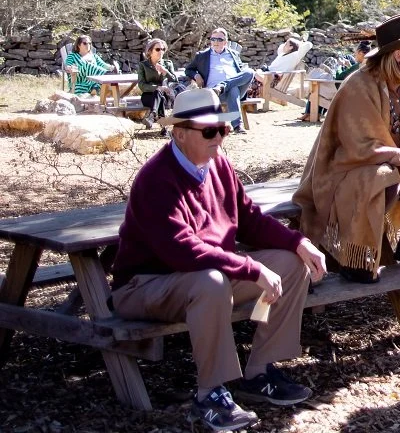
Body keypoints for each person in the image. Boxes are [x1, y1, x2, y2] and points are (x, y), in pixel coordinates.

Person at [111, 85, 329, 431]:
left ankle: (259, 372)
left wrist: (299, 243)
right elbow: (181, 249)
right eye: (210, 131)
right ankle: (209, 394)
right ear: (180, 134)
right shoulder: (156, 178)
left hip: (198, 278)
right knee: (211, 281)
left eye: (224, 128)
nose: (220, 138)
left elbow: (250, 220)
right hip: (144, 286)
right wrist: (250, 267)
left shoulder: (218, 165)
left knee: (289, 265)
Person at [293, 13, 400, 283]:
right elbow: (360, 149)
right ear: (398, 55)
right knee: (383, 178)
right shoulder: (359, 86)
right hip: (348, 171)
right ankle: (357, 256)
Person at [186, 28, 255, 134]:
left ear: (225, 42)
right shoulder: (202, 56)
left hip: (235, 90)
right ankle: (237, 126)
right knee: (233, 89)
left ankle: (222, 85)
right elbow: (188, 70)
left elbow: (241, 70)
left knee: (249, 72)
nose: (216, 42)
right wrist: (196, 75)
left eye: (219, 39)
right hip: (213, 92)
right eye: (213, 39)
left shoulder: (234, 55)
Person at [136, 37, 183, 126]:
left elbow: (175, 81)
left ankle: (152, 116)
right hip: (149, 95)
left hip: (166, 95)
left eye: (163, 49)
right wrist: (157, 87)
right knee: (158, 93)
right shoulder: (143, 65)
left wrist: (165, 71)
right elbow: (141, 85)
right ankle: (163, 127)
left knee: (161, 97)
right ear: (150, 51)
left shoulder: (168, 64)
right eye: (157, 49)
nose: (161, 52)